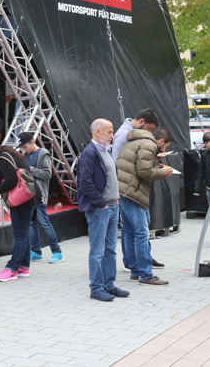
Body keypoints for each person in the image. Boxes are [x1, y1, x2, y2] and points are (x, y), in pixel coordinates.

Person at [77, 119, 128, 301]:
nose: (112, 135)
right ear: (98, 132)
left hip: (112, 206)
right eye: (109, 132)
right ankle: (96, 288)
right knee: (97, 250)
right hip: (101, 208)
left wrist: (114, 200)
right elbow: (85, 182)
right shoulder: (90, 153)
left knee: (110, 250)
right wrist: (101, 203)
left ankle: (108, 284)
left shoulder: (104, 151)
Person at [115, 125, 172, 286]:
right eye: (166, 146)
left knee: (129, 231)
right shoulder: (149, 145)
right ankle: (145, 274)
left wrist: (155, 160)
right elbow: (144, 172)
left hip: (124, 190)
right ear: (161, 141)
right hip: (133, 192)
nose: (164, 149)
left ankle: (135, 271)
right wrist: (164, 172)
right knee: (141, 233)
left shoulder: (136, 141)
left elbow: (138, 165)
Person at [0, 139, 33, 282]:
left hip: (21, 201)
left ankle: (12, 269)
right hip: (28, 198)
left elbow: (11, 181)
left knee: (20, 234)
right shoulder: (8, 153)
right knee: (23, 233)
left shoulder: (3, 159)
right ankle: (23, 266)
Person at [20, 132, 63, 264]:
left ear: (33, 142)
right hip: (29, 194)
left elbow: (47, 174)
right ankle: (37, 252)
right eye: (23, 147)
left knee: (44, 222)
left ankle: (57, 252)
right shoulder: (25, 155)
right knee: (32, 224)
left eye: (26, 146)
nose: (24, 149)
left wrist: (29, 169)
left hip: (40, 195)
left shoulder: (43, 153)